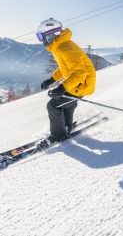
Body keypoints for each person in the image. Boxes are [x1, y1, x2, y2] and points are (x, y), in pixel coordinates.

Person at [36, 18, 96, 149]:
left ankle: (58, 135)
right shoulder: (60, 45)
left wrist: (62, 87)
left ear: (51, 34)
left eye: (41, 36)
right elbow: (65, 68)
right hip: (78, 82)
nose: (41, 40)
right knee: (64, 102)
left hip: (81, 84)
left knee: (53, 105)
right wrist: (51, 80)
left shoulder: (65, 47)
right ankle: (66, 126)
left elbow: (79, 73)